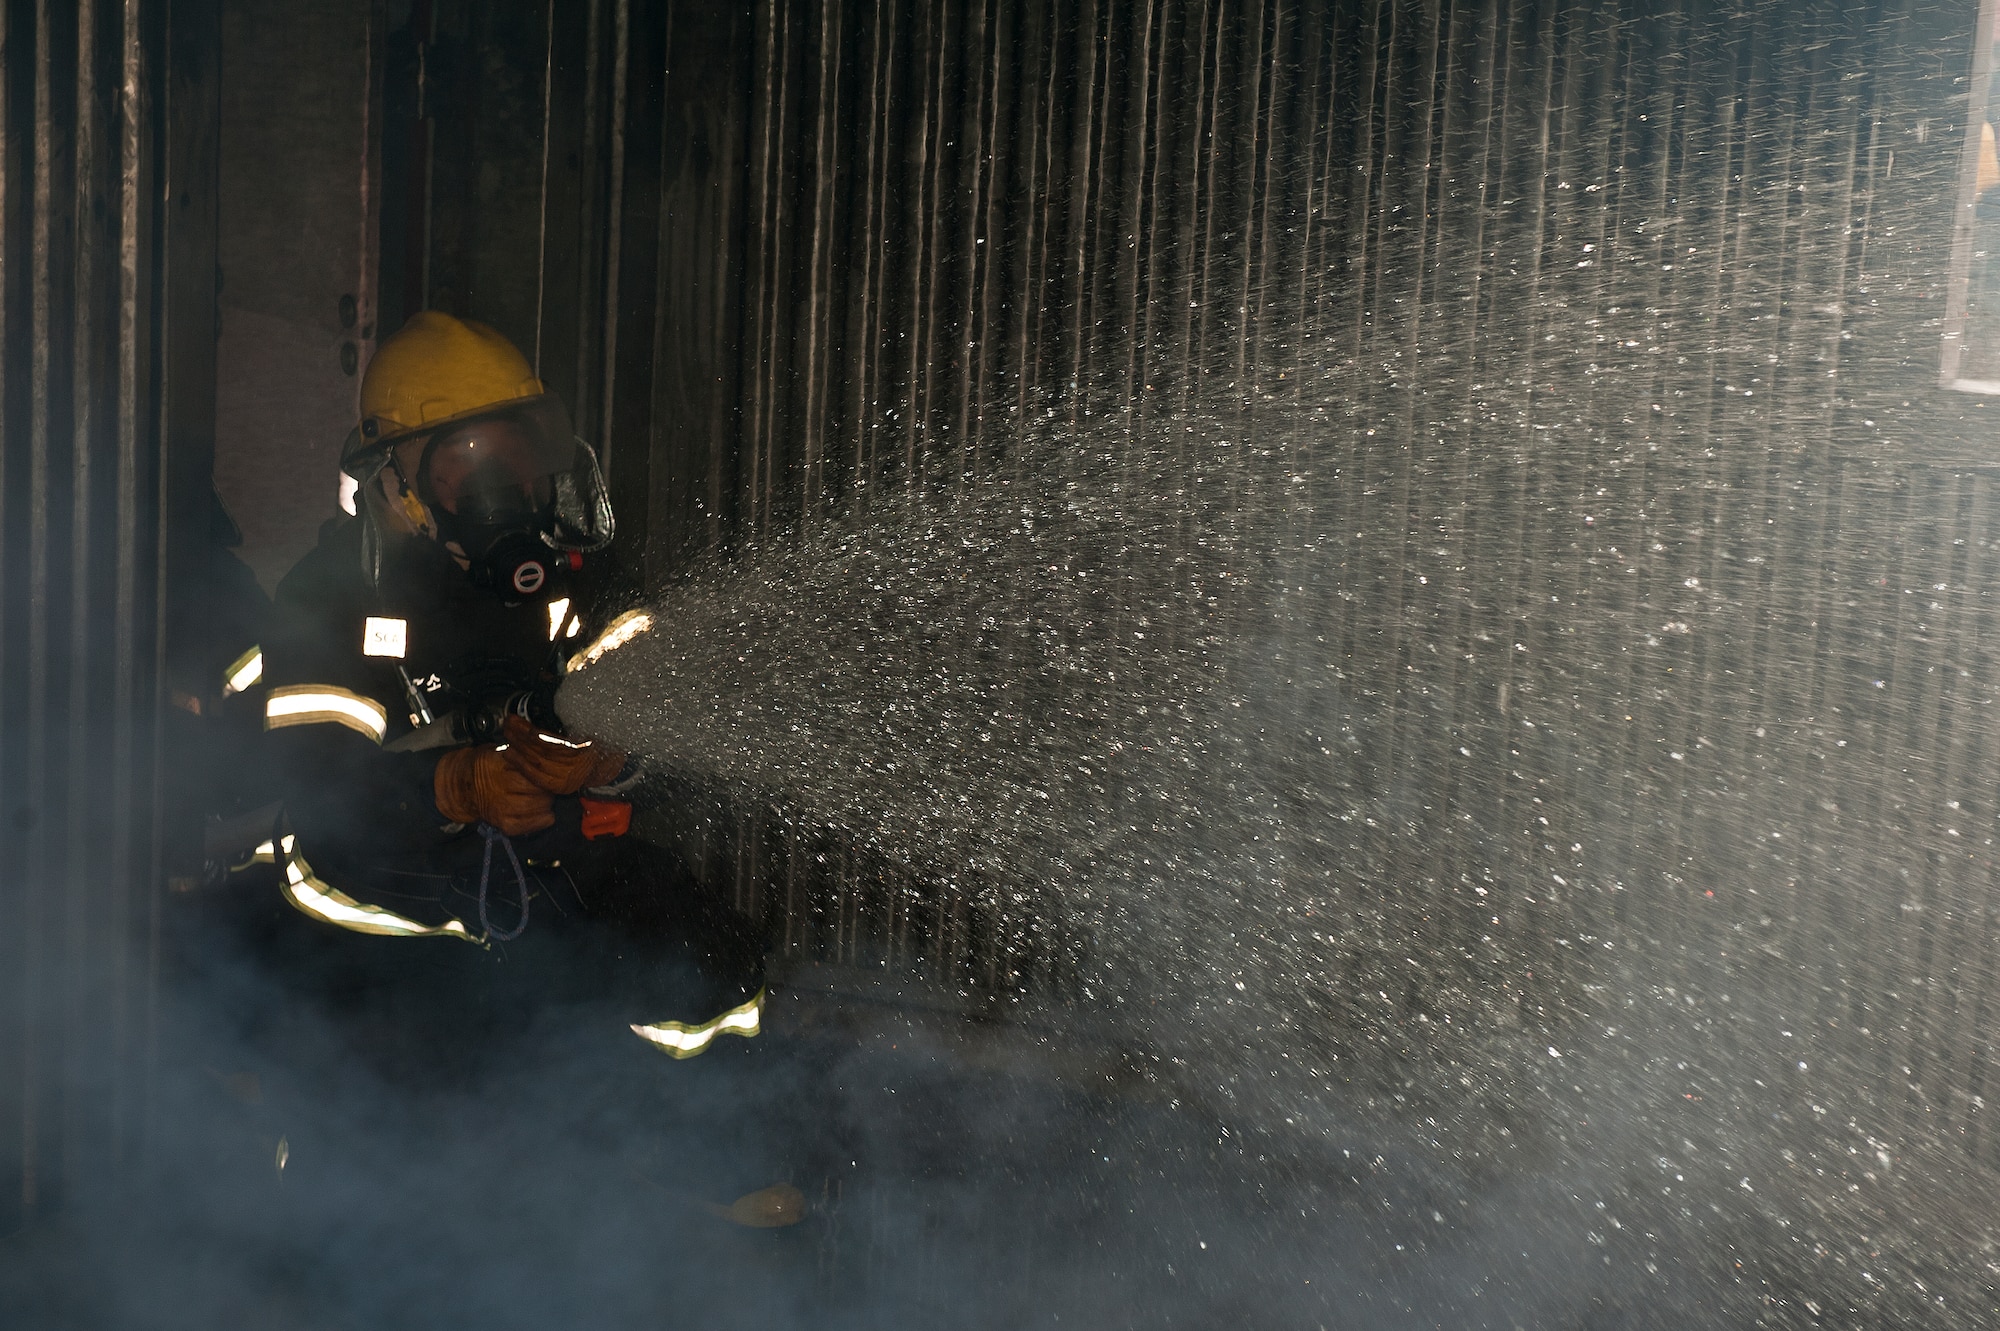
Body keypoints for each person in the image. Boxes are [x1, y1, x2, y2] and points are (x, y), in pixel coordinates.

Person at [249, 311, 763, 1058]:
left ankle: (710, 1158)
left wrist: (611, 762)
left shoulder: (586, 583)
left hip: (553, 864)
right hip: (382, 888)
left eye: (513, 451)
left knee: (703, 954)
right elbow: (317, 786)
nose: (501, 484)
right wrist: (451, 787)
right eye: (462, 458)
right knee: (422, 1041)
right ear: (396, 479)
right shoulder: (330, 601)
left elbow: (672, 734)